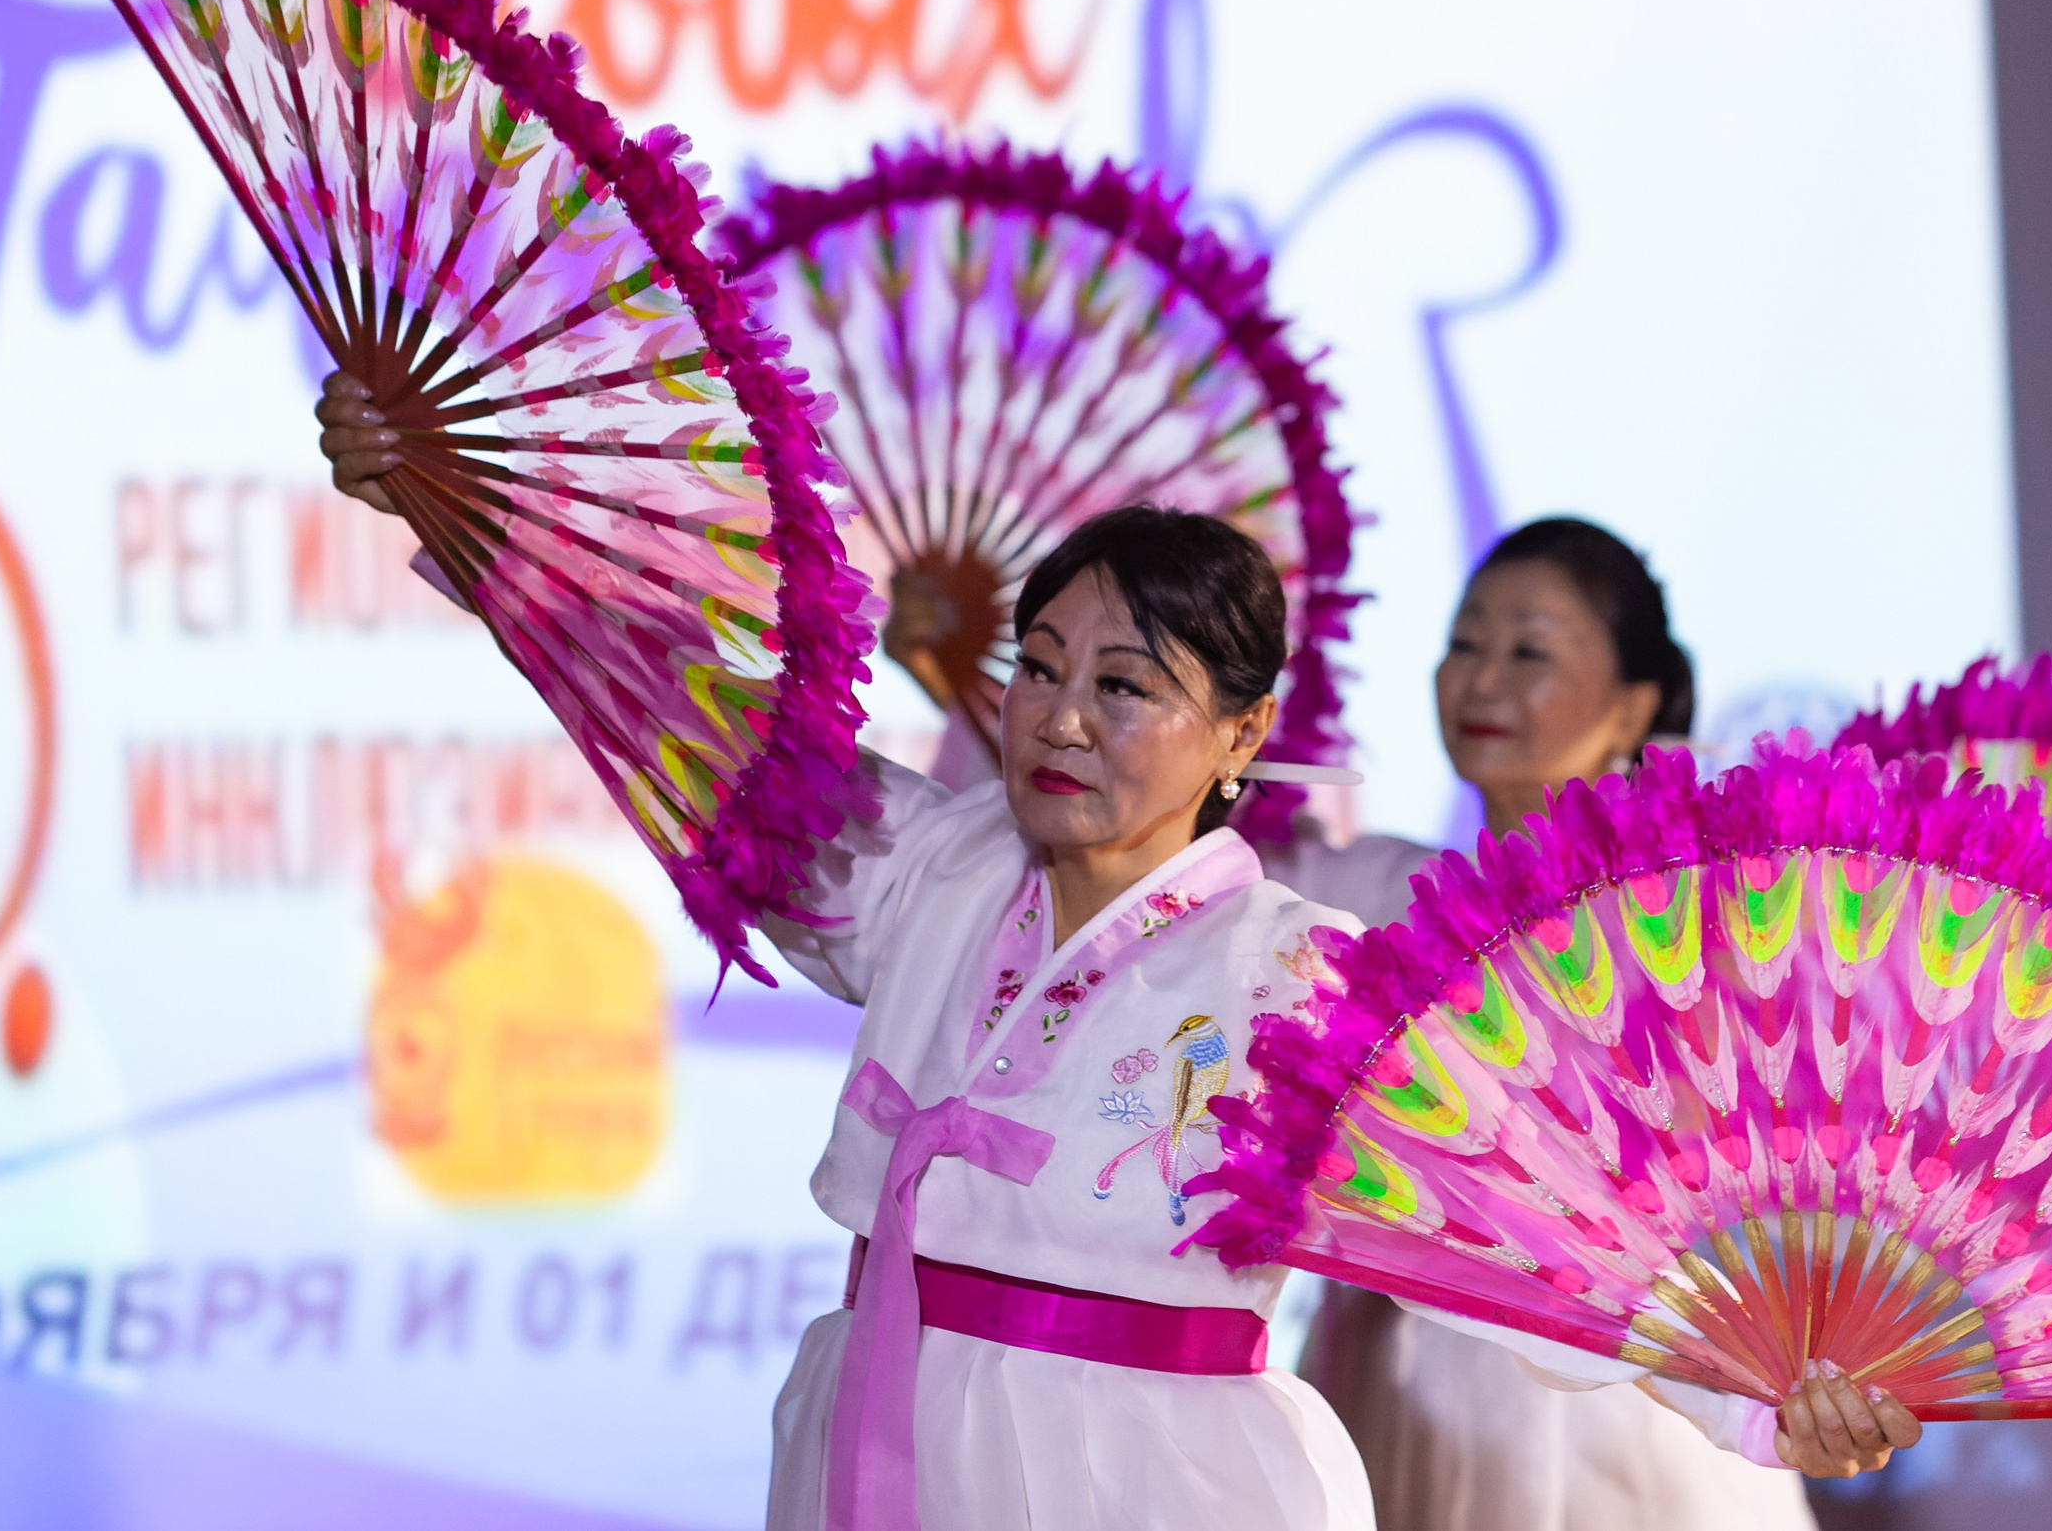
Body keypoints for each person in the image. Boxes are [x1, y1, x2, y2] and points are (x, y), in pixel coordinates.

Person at [316, 383, 1919, 1530]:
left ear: (1243, 736)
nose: (1062, 716)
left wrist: (1766, 1383)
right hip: (875, 1430)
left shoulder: (1296, 981)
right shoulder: (931, 866)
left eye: (1128, 685)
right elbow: (697, 722)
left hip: (1140, 1480)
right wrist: (480, 521)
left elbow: (1532, 1223)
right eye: (1040, 666)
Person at [1266, 517, 1826, 1531]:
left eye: (1529, 650)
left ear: (1632, 705)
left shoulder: (1702, 919)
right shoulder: (1364, 890)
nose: (1482, 680)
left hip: (1640, 1387)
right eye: (1464, 642)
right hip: (1397, 1373)